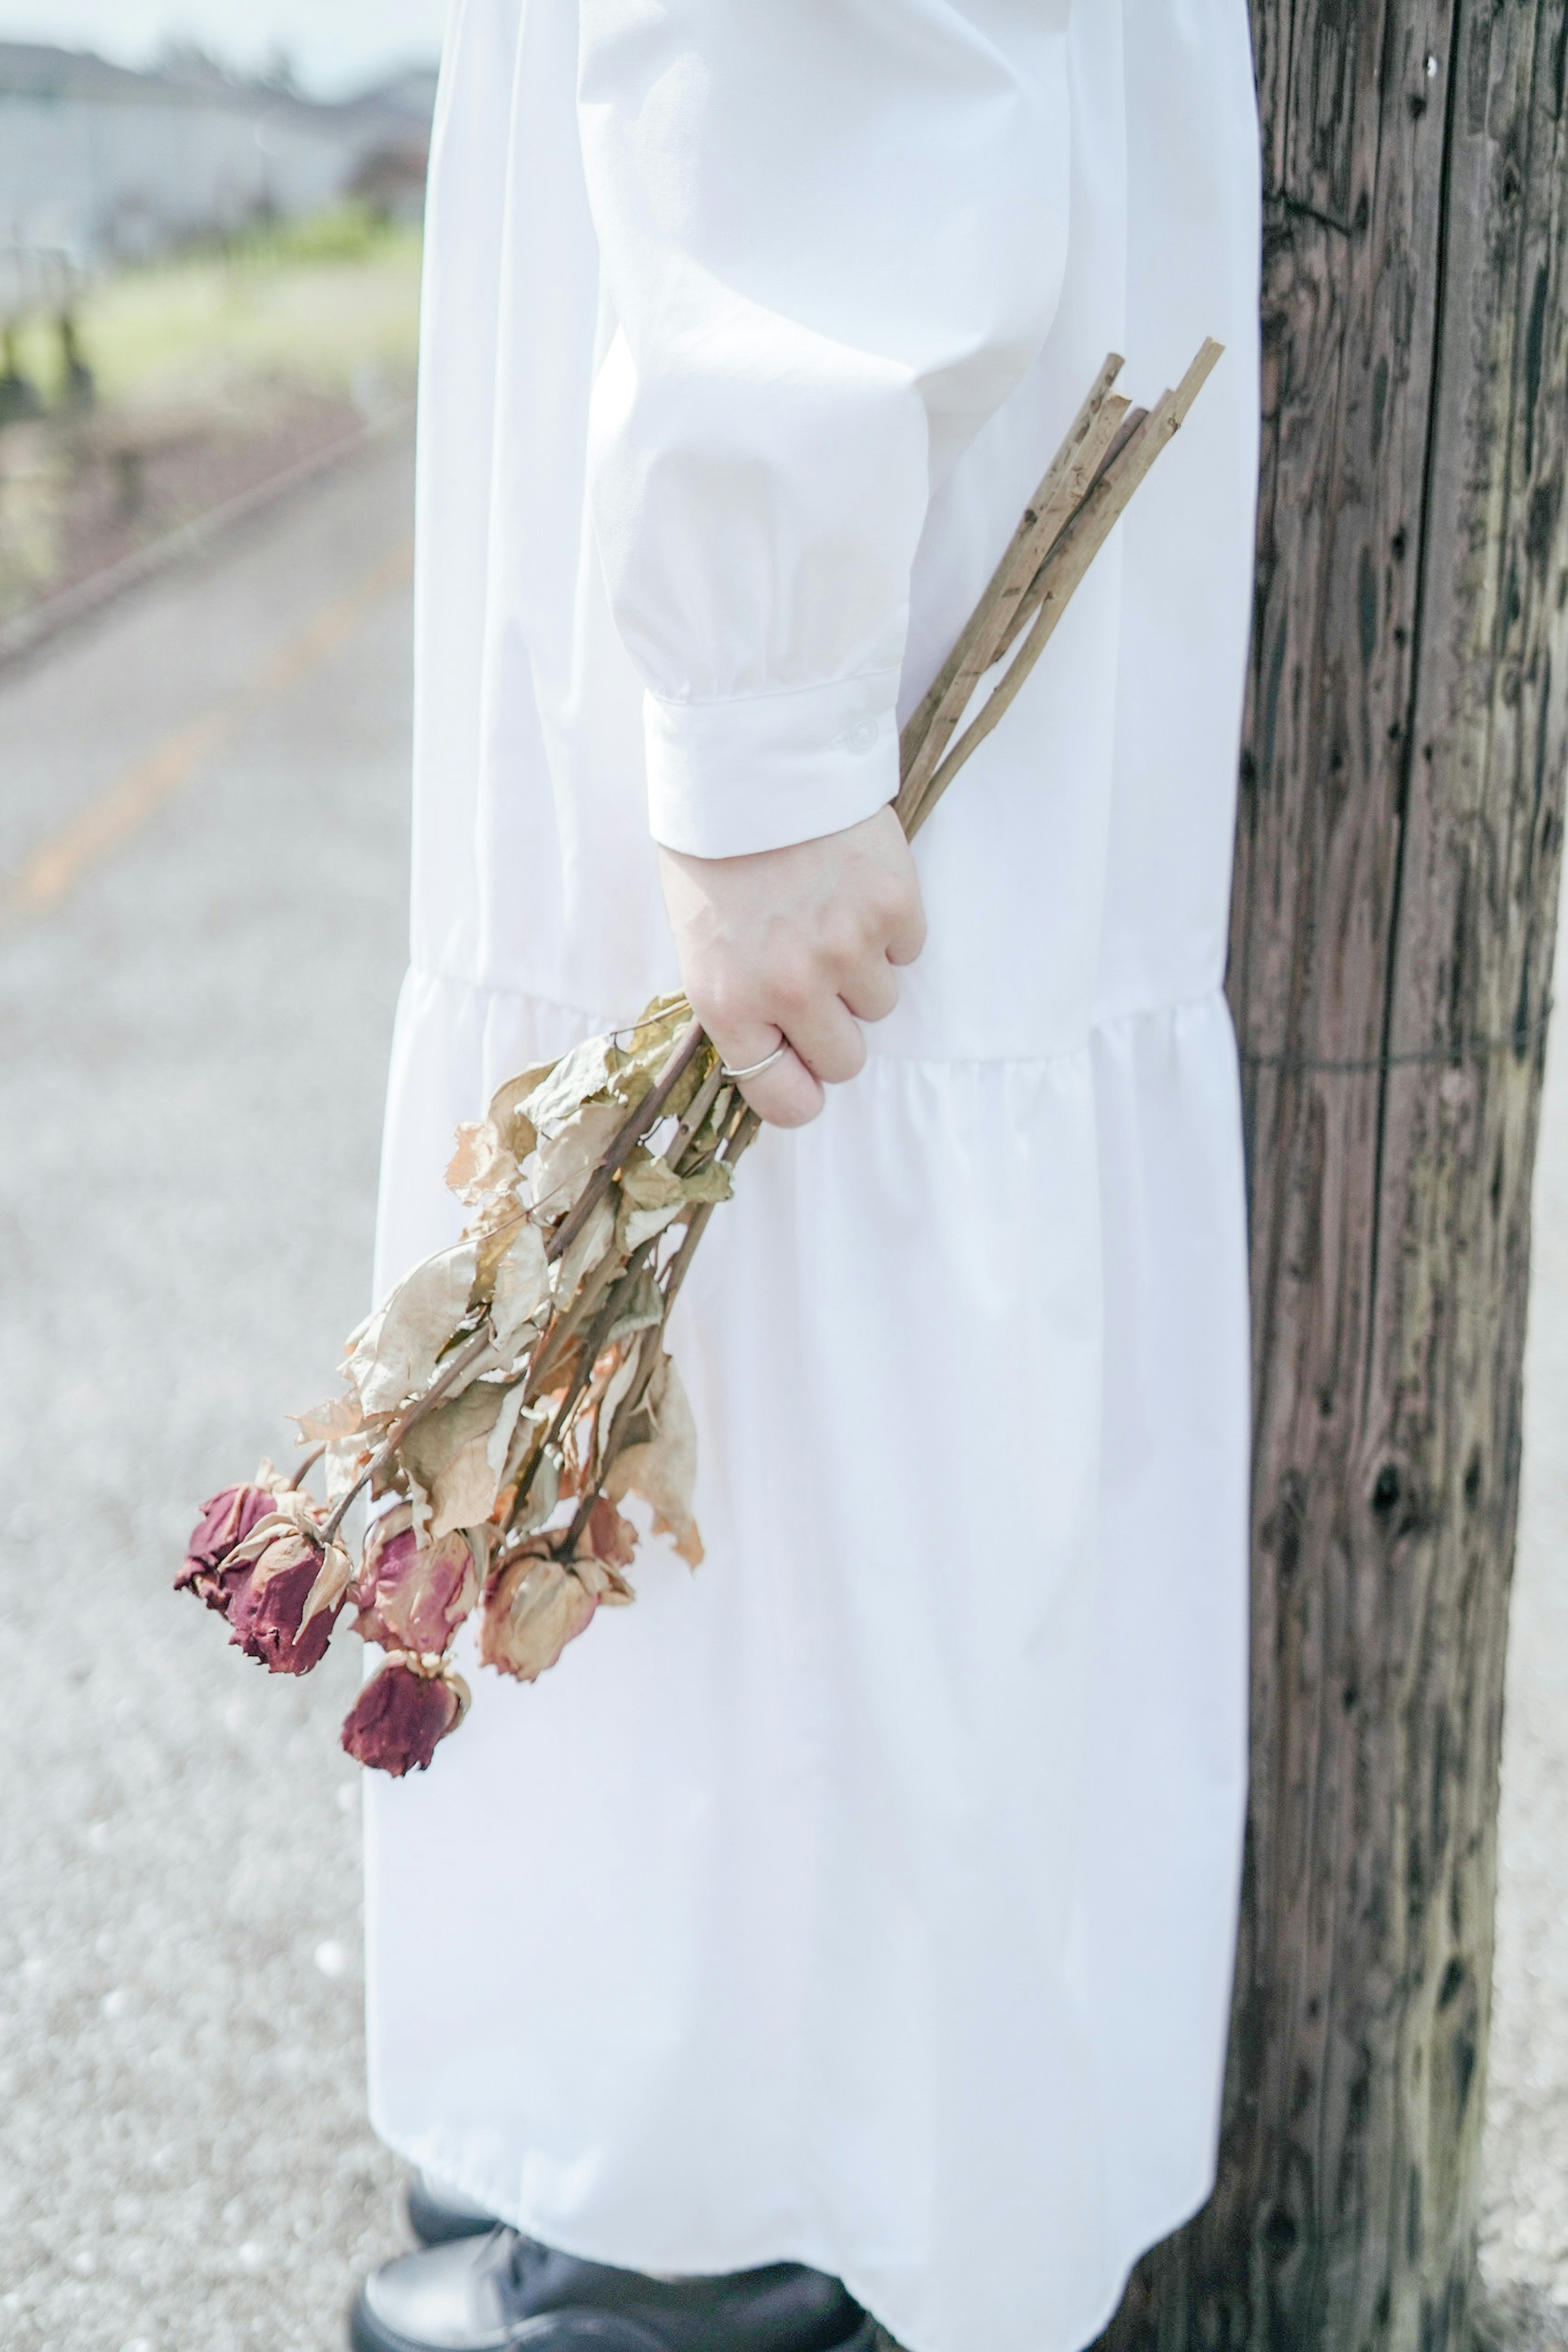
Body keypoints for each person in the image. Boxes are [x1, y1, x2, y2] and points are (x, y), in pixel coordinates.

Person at [352, 5, 1262, 2351]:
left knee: (810, 1234)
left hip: (846, 342)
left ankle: (734, 2227)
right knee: (749, 1282)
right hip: (785, 285)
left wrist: (765, 702)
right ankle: (694, 2155)